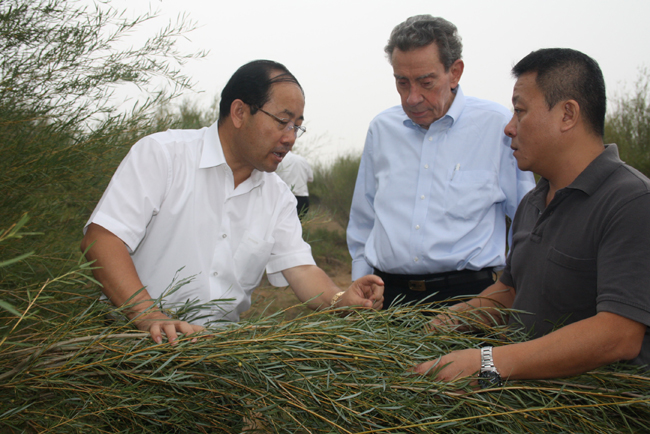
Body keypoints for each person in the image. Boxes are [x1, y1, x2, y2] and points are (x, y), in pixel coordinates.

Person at [80, 60, 384, 344]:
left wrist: (338, 299)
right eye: (282, 121)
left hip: (215, 352)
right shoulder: (163, 155)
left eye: (297, 126)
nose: (290, 138)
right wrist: (149, 316)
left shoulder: (277, 195)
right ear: (239, 112)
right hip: (132, 340)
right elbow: (103, 240)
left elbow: (300, 269)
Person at [414, 48, 650, 385]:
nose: (509, 128)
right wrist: (441, 322)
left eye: (520, 111)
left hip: (595, 409)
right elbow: (510, 292)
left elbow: (617, 334)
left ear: (567, 114)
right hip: (529, 402)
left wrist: (486, 362)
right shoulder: (533, 203)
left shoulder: (632, 202)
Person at [347, 15, 535, 308]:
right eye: (402, 82)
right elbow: (363, 220)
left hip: (472, 298)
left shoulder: (497, 126)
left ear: (455, 72)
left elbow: (526, 219)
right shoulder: (382, 129)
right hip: (388, 299)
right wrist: (360, 285)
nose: (412, 98)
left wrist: (508, 291)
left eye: (426, 82)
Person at [276, 150, 314, 219]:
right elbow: (310, 178)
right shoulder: (302, 160)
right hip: (302, 198)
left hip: (283, 197)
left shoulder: (278, 160)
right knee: (298, 225)